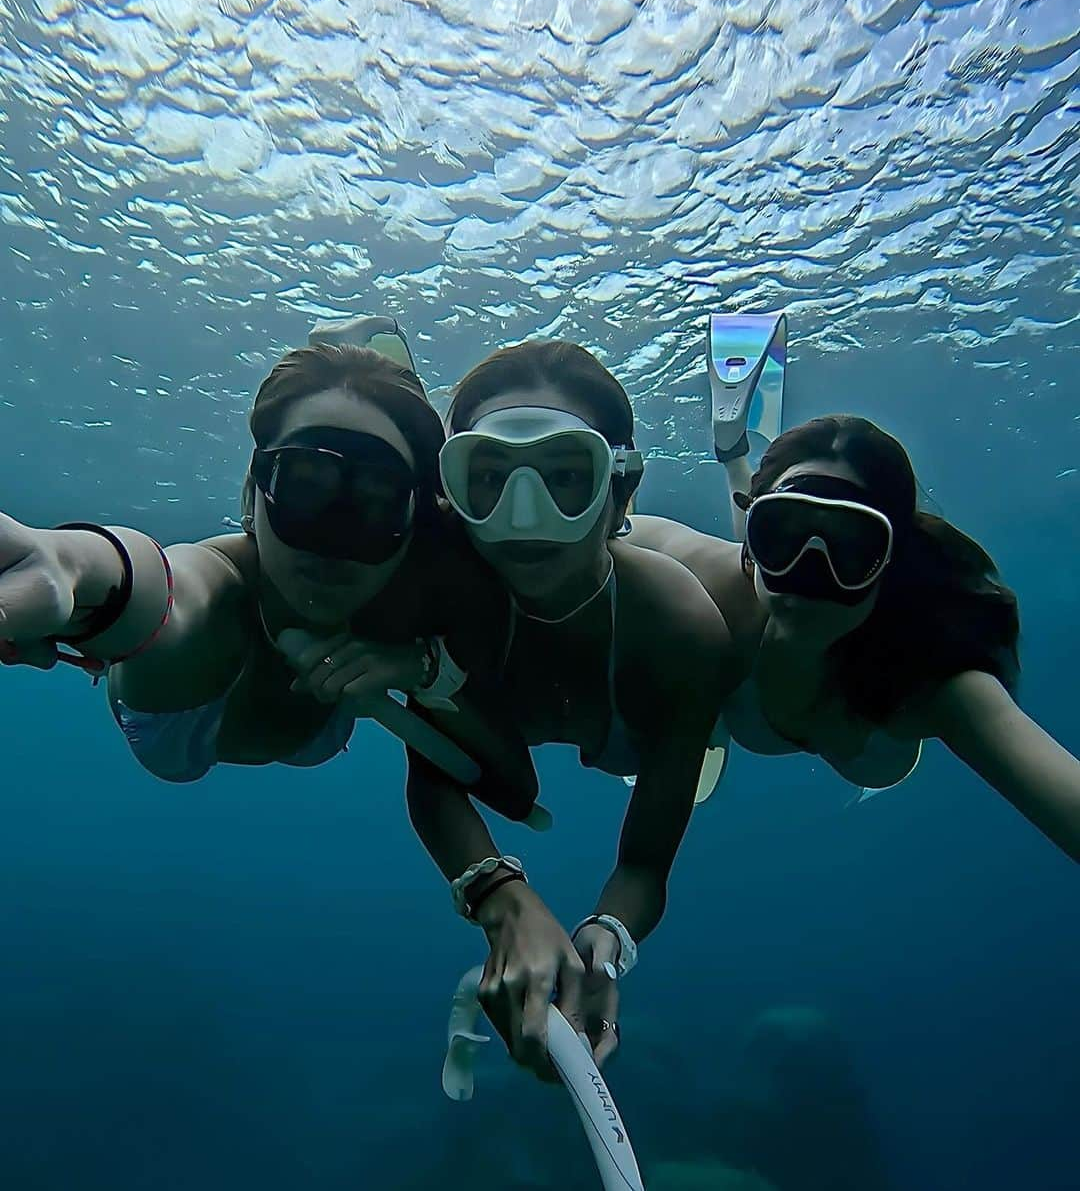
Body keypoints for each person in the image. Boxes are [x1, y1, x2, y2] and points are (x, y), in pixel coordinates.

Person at [0, 326, 532, 814]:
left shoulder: (411, 600)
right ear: (252, 495)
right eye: (304, 486)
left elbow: (515, 788)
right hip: (192, 710)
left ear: (412, 519)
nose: (334, 538)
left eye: (376, 502)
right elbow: (162, 584)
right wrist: (69, 564)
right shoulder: (222, 590)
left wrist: (426, 669)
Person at [403, 340, 743, 1083]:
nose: (525, 520)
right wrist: (500, 897)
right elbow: (433, 776)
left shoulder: (680, 625)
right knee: (494, 766)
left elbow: (646, 860)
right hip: (543, 713)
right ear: (453, 490)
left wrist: (610, 936)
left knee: (738, 709)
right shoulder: (443, 609)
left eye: (566, 478)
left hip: (647, 651)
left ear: (620, 490)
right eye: (488, 479)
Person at [628, 411, 1080, 861]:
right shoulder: (708, 579)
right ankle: (737, 463)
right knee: (722, 612)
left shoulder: (926, 676)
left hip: (866, 744)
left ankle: (749, 477)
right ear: (754, 539)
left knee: (880, 764)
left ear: (890, 560)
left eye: (850, 546)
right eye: (780, 533)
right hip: (738, 656)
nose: (809, 571)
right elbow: (605, 537)